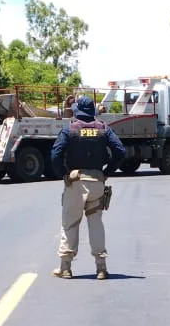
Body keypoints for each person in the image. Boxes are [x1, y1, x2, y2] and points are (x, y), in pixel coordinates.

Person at [49, 95, 126, 280]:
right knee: (96, 224)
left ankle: (65, 268)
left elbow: (55, 154)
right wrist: (108, 172)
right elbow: (120, 151)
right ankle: (101, 268)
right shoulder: (103, 129)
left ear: (77, 111)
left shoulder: (70, 129)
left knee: (70, 224)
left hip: (75, 183)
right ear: (93, 111)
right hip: (97, 182)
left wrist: (64, 174)